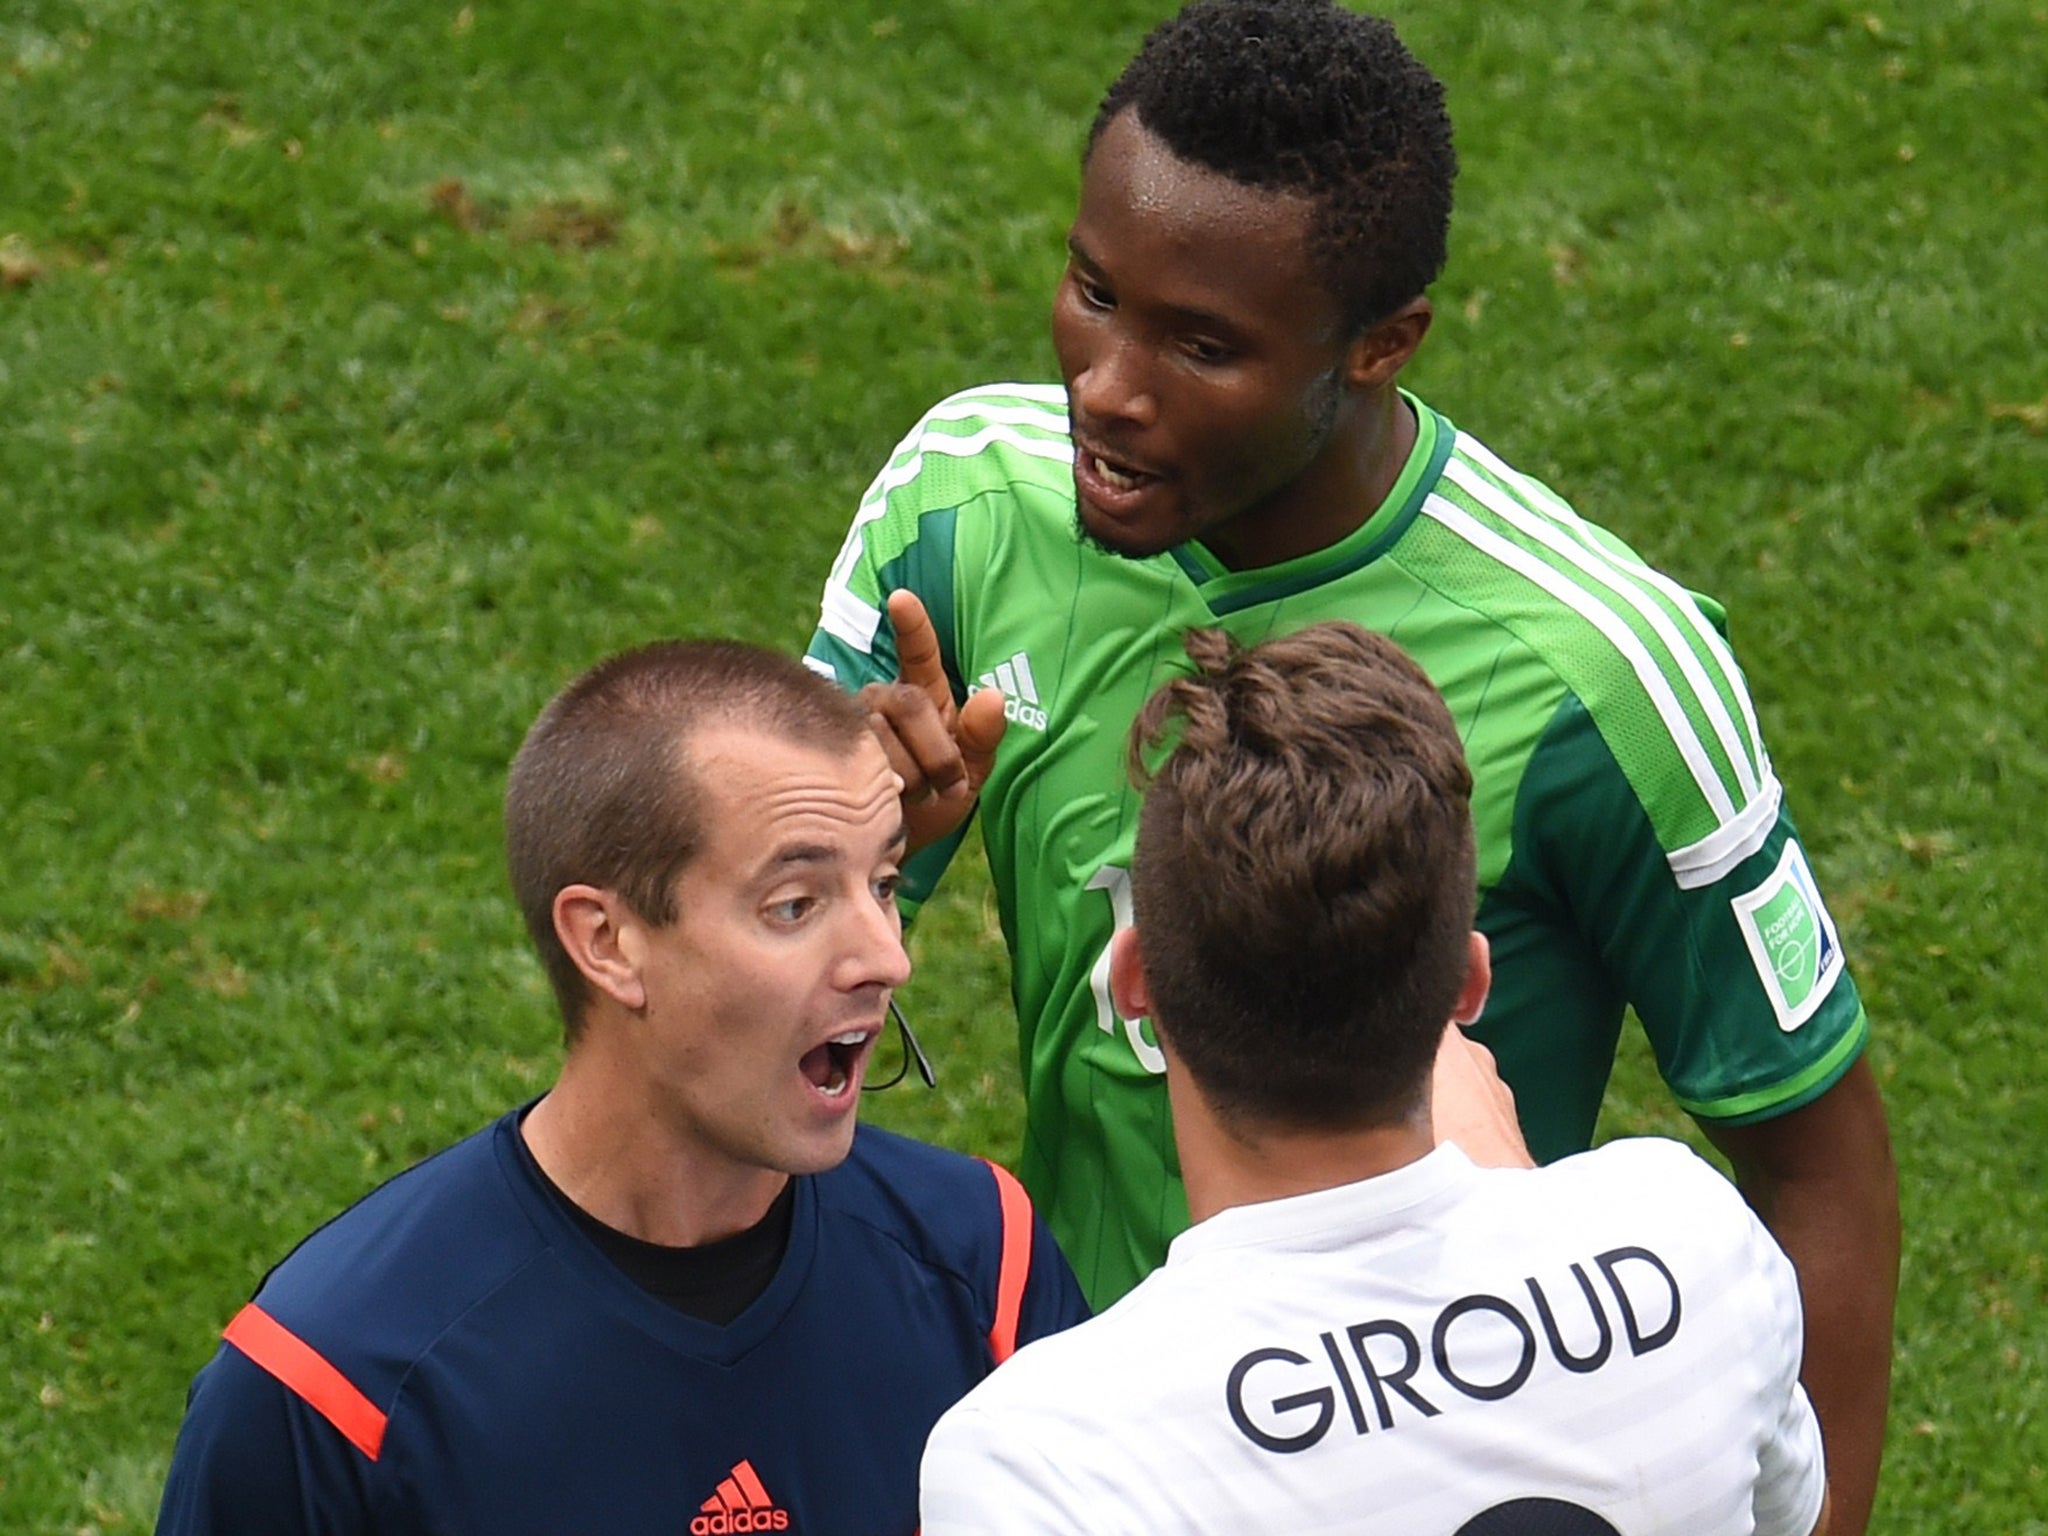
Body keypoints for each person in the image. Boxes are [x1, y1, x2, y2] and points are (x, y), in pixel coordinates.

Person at [803, 2, 1895, 1528]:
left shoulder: (1601, 671)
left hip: (1444, 1438)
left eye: (1203, 345)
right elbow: (746, 1021)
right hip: (1113, 1441)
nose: (1108, 388)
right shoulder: (959, 511)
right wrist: (852, 855)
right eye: (1090, 290)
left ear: (1383, 344)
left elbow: (1815, 1156)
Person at [153, 639, 1088, 1536]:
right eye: (794, 905)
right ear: (607, 943)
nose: (889, 958)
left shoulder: (980, 1265)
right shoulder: (331, 1388)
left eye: (883, 881)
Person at [919, 622, 1834, 1536]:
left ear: (1131, 982)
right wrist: (1518, 1214)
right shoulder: (1689, 1239)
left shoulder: (1041, 1463)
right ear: (1469, 984)